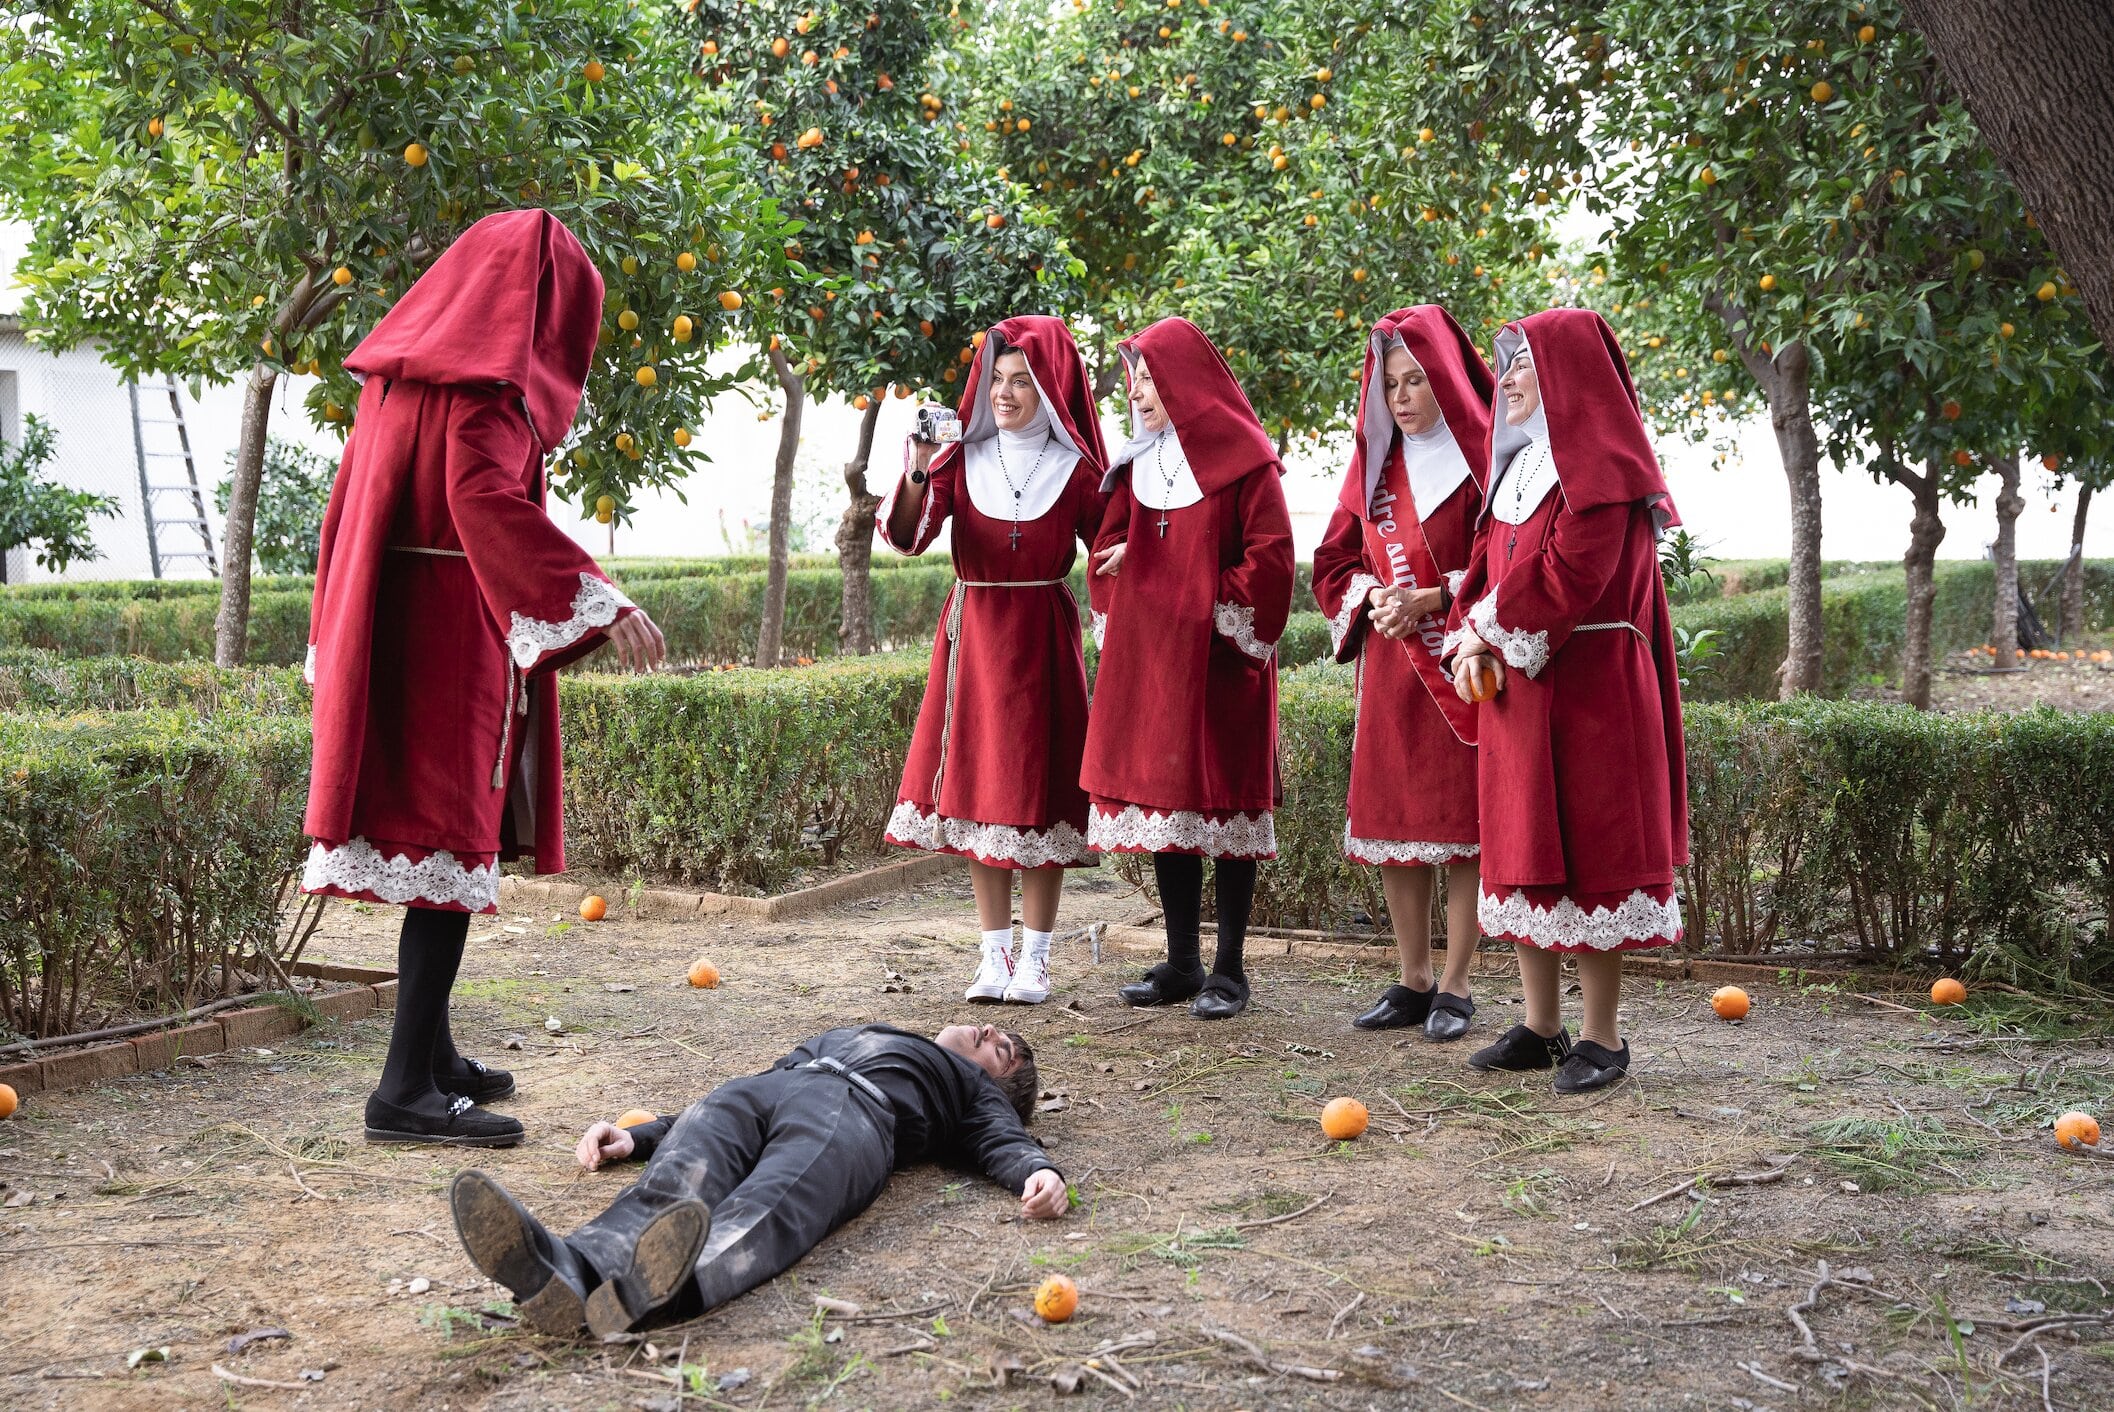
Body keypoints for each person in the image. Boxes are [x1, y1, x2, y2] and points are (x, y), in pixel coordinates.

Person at [301, 210, 667, 1147]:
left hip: (397, 629)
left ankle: (433, 1058)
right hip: (448, 643)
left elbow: (344, 515)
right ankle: (401, 1094)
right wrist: (597, 595)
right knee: (447, 850)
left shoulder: (397, 379)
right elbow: (481, 498)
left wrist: (334, 631)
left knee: (437, 847)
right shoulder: (488, 395)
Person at [448, 1021, 1064, 1337]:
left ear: (997, 1084)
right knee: (673, 1185)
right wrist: (641, 1136)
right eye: (994, 1030)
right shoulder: (878, 1033)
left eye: (1001, 1050)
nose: (990, 1033)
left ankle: (658, 1293)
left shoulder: (972, 1091)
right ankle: (564, 1267)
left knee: (771, 1203)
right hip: (768, 1087)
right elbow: (694, 1126)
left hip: (855, 1114)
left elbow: (1002, 1139)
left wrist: (1036, 1170)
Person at [1442, 308, 1689, 1094]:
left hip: (1592, 692)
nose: (1505, 379)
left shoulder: (1605, 469)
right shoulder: (1518, 468)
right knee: (1523, 849)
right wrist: (1465, 638)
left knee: (1591, 853)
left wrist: (1482, 632)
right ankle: (1542, 1026)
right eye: (1506, 365)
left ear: (1566, 378)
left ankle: (1603, 1037)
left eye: (1521, 366)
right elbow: (1484, 568)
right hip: (1520, 689)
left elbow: (1569, 575)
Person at [878, 318, 1110, 1005]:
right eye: (999, 380)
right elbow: (909, 536)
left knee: (1040, 796)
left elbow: (1114, 551)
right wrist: (917, 464)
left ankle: (1036, 959)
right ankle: (992, 956)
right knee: (981, 793)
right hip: (974, 636)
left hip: (1043, 636)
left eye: (1023, 382)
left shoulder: (1078, 470)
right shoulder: (957, 459)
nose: (1006, 395)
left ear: (1052, 390)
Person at [1081, 317, 1294, 1021]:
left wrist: (1164, 585)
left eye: (1150, 377)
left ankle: (1229, 971)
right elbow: (1109, 554)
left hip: (1221, 668)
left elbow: (1268, 568)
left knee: (1224, 808)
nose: (1138, 392)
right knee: (1167, 805)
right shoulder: (1137, 465)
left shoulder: (1247, 462)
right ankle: (1181, 961)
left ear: (1185, 382)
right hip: (1154, 669)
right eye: (1136, 378)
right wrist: (1139, 591)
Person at [1311, 306, 1491, 1041]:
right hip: (1391, 667)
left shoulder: (1488, 460)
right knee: (1397, 821)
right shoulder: (1373, 467)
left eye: (1417, 380)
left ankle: (1458, 981)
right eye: (1391, 384)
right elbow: (1333, 562)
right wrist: (1373, 595)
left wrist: (1436, 593)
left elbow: (1505, 562)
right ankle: (1413, 975)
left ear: (1445, 380)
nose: (1405, 397)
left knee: (1467, 828)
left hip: (1465, 665)